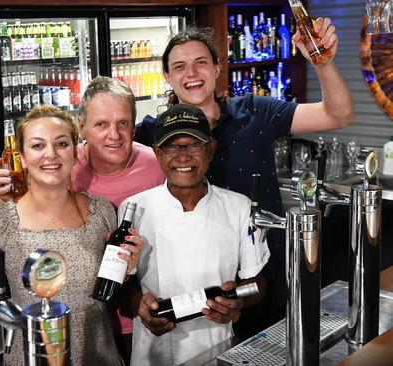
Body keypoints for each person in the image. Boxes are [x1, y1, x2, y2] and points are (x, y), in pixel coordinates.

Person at [134, 22, 354, 336]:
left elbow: (339, 114)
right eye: (179, 66)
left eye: (200, 62)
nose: (191, 73)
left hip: (268, 278)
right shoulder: (153, 132)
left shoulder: (255, 112)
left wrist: (323, 61)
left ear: (216, 68)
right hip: (196, 292)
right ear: (167, 76)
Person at [0, 76, 164, 364]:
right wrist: (8, 189)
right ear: (81, 128)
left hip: (140, 318)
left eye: (123, 123)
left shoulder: (158, 166)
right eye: (101, 124)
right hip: (68, 330)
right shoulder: (60, 166)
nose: (114, 134)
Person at [123, 104, 269, 365]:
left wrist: (238, 302)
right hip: (152, 352)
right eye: (171, 146)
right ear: (157, 153)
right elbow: (121, 287)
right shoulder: (134, 209)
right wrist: (139, 305)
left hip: (219, 347)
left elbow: (257, 282)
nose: (182, 156)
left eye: (194, 145)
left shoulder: (239, 207)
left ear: (210, 150)